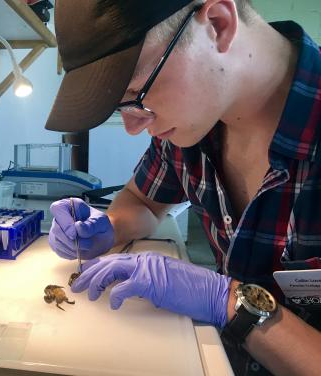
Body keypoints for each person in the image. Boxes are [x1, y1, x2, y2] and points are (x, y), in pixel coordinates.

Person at [45, 1, 321, 375]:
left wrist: (228, 303)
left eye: (137, 96)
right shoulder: (192, 126)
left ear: (219, 25)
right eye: (119, 107)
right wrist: (108, 226)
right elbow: (142, 201)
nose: (132, 127)